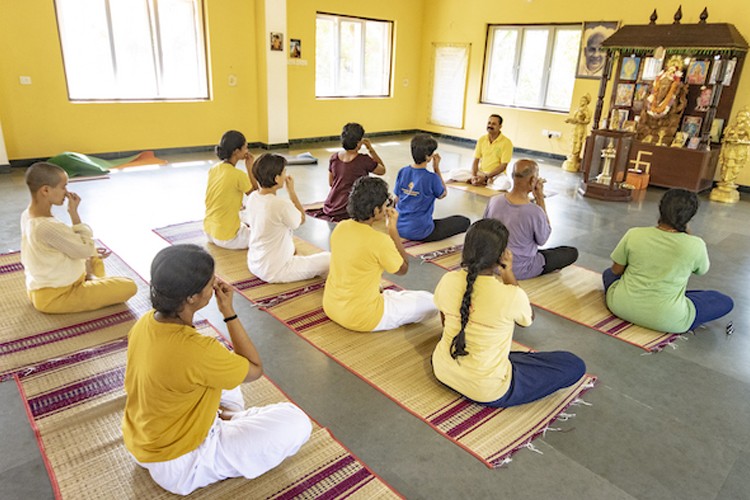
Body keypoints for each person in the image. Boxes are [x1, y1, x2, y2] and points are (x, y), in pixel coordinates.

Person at [122, 244, 311, 496]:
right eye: (211, 282)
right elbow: (255, 369)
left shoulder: (146, 322)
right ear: (191, 297)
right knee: (296, 422)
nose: (215, 286)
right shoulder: (198, 349)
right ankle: (229, 421)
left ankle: (227, 418)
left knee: (225, 367)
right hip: (181, 461)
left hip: (141, 441)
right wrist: (229, 312)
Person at [432, 219, 586, 407]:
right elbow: (527, 319)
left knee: (516, 358)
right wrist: (508, 273)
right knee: (574, 365)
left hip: (443, 369)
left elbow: (444, 322)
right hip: (487, 389)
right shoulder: (511, 295)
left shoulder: (447, 279)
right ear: (501, 257)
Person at [603, 189, 733, 333]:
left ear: (660, 209)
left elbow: (616, 271)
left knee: (607, 274)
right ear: (691, 216)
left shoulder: (634, 233)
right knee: (722, 300)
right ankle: (673, 304)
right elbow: (701, 270)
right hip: (668, 319)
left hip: (620, 306)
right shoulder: (695, 244)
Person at [323, 177, 437, 332]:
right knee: (432, 303)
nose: (386, 208)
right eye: (384, 205)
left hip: (331, 306)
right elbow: (403, 269)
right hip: (363, 318)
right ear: (376, 210)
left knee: (394, 294)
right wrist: (393, 230)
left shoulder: (341, 227)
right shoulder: (379, 240)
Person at [20, 162, 137, 313]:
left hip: (40, 287)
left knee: (94, 255)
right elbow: (86, 250)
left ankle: (93, 279)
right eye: (63, 187)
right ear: (46, 190)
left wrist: (90, 252)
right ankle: (94, 280)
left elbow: (69, 245)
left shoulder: (28, 215)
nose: (67, 192)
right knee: (129, 286)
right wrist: (74, 214)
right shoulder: (46, 226)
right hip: (58, 295)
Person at [483, 159, 578, 280]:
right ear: (533, 180)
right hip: (521, 269)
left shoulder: (494, 200)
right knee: (571, 253)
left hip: (494, 263)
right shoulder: (534, 211)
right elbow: (543, 239)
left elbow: (484, 228)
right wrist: (540, 198)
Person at [243, 154, 330, 283]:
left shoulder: (253, 197)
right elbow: (301, 219)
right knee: (330, 259)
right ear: (277, 178)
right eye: (284, 172)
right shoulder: (280, 204)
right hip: (276, 271)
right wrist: (292, 192)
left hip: (254, 263)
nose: (286, 175)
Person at [394, 134, 470, 242]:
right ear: (428, 157)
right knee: (464, 221)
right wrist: (436, 168)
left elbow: (396, 199)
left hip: (399, 228)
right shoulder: (431, 178)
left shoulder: (403, 171)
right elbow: (443, 194)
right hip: (421, 232)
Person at [204, 130, 258, 249]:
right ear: (236, 151)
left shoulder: (214, 169)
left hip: (209, 231)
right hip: (227, 238)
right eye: (245, 148)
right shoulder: (238, 175)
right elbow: (257, 197)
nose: (247, 151)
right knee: (268, 235)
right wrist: (250, 168)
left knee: (243, 219)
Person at [322, 122, 386, 221]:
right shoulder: (364, 160)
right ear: (359, 143)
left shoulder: (334, 157)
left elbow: (331, 183)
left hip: (332, 204)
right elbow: (382, 170)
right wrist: (370, 149)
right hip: (351, 207)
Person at [450, 114, 513, 190]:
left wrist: (487, 177)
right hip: (480, 172)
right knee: (453, 173)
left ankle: (485, 181)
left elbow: (503, 166)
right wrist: (473, 176)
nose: (490, 125)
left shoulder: (507, 142)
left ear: (500, 126)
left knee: (506, 184)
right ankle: (480, 181)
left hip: (496, 175)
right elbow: (476, 160)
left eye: (494, 124)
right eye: (489, 123)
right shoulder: (482, 139)